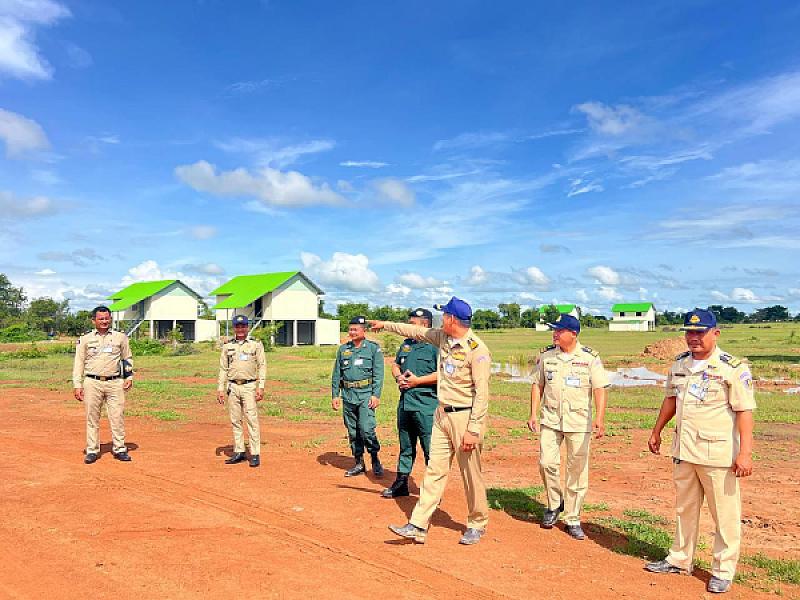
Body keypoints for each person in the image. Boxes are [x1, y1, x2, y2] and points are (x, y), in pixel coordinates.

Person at [645, 308, 755, 594]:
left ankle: (723, 570)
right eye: (689, 332)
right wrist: (657, 430)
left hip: (717, 455)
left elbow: (744, 411)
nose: (693, 337)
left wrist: (745, 453)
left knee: (724, 515)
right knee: (685, 509)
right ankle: (680, 559)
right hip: (684, 450)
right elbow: (671, 399)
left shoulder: (732, 368)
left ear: (715, 333)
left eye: (699, 332)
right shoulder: (679, 364)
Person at [371, 296, 491, 545]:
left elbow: (482, 394)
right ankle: (418, 524)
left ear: (452, 319)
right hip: (441, 414)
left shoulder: (477, 350)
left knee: (471, 474)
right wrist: (385, 325)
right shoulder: (442, 338)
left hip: (464, 417)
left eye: (444, 315)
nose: (441, 319)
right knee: (434, 470)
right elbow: (414, 330)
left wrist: (473, 429)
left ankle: (477, 523)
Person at [527, 313, 609, 540]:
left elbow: (599, 389)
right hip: (551, 419)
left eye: (559, 330)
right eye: (554, 330)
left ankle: (572, 517)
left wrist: (600, 418)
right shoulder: (546, 356)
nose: (554, 334)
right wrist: (532, 413)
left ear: (573, 334)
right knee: (546, 463)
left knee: (576, 470)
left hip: (578, 422)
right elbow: (537, 385)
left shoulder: (589, 357)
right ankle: (555, 504)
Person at [382, 308, 438, 499]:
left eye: (412, 323)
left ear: (425, 324)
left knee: (431, 449)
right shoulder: (407, 344)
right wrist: (398, 377)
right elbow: (396, 364)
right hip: (405, 403)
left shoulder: (435, 346)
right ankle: (401, 483)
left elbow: (444, 374)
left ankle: (433, 490)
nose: (408, 326)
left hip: (426, 405)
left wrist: (418, 381)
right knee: (406, 446)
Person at [72, 305, 134, 463]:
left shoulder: (120, 337)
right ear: (94, 320)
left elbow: (127, 358)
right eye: (101, 319)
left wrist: (129, 377)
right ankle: (92, 450)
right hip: (92, 382)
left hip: (115, 382)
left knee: (117, 416)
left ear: (110, 319)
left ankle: (120, 449)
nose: (104, 321)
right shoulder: (85, 339)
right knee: (92, 417)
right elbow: (79, 362)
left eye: (107, 318)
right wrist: (77, 384)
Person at [331, 316, 384, 477]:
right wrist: (335, 395)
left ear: (363, 330)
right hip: (348, 395)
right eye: (350, 329)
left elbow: (378, 374)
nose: (352, 332)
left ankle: (375, 458)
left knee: (366, 429)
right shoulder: (343, 349)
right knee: (353, 431)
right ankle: (359, 462)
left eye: (355, 329)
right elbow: (337, 374)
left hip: (365, 395)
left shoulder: (373, 348)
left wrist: (376, 395)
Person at [217, 315, 267, 468]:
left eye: (243, 326)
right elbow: (223, 368)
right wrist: (220, 388)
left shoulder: (255, 345)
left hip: (249, 387)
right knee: (235, 420)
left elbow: (262, 365)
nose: (240, 329)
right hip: (233, 387)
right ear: (234, 328)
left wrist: (261, 386)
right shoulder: (227, 346)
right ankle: (239, 451)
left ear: (247, 327)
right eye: (237, 326)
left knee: (251, 420)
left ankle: (255, 453)